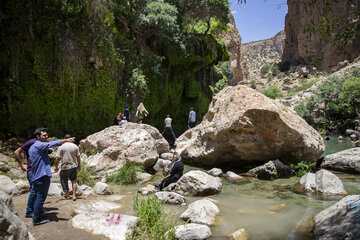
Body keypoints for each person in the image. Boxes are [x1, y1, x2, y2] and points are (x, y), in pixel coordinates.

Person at [29, 128, 74, 226]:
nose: (47, 137)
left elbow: (46, 149)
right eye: (44, 135)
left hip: (36, 175)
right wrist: (65, 140)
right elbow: (50, 144)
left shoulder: (32, 147)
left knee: (38, 197)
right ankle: (36, 219)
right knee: (41, 198)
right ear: (37, 137)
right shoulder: (39, 145)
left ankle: (38, 214)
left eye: (46, 135)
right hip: (42, 175)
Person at [54, 134, 81, 201]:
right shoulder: (75, 146)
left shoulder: (61, 147)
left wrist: (56, 166)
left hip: (65, 167)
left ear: (65, 139)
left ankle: (67, 195)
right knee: (74, 181)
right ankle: (74, 195)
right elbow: (78, 157)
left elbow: (57, 158)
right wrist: (79, 165)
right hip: (73, 166)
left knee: (64, 180)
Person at [14, 137, 36, 218]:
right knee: (34, 190)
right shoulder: (31, 142)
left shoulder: (40, 143)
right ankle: (29, 211)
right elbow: (16, 152)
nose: (46, 137)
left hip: (37, 171)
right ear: (38, 135)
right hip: (31, 170)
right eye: (44, 135)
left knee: (36, 190)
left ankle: (35, 208)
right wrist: (22, 164)